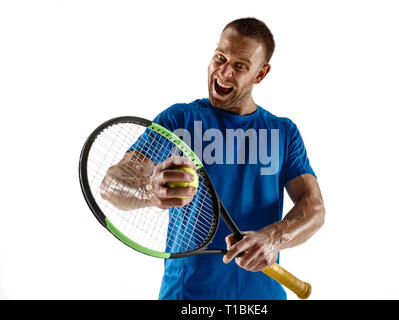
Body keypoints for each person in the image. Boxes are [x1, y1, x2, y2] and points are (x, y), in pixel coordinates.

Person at [102, 17, 325, 300]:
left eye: (240, 66)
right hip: (186, 297)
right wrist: (148, 189)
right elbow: (111, 185)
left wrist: (273, 238)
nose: (224, 72)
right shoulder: (179, 119)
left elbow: (314, 206)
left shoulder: (283, 131)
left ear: (260, 74)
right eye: (220, 58)